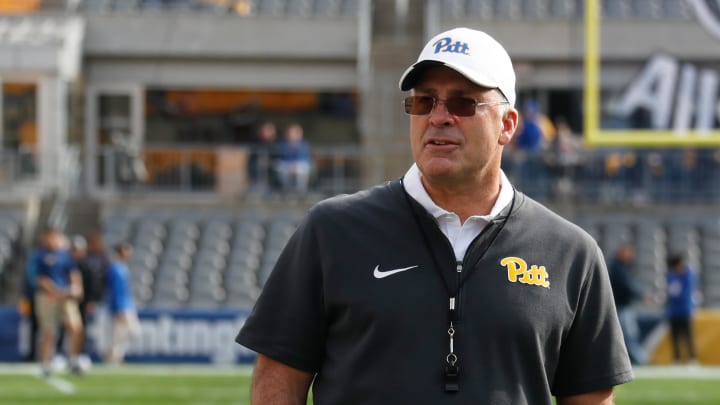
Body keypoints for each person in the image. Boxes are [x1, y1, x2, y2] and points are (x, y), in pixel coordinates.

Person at [236, 27, 632, 404]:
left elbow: (590, 397)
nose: (439, 116)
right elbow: (278, 377)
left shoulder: (570, 252)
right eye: (424, 101)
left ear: (507, 125)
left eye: (463, 102)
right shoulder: (331, 230)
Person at [34, 227, 84, 376]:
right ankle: (45, 363)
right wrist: (55, 291)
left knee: (76, 327)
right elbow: (40, 279)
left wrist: (76, 287)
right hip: (48, 296)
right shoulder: (40, 255)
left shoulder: (65, 255)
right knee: (49, 332)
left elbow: (73, 273)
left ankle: (73, 360)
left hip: (65, 296)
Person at [608, 243, 648, 365]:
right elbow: (627, 286)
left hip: (622, 305)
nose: (631, 255)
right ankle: (640, 359)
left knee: (627, 334)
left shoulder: (621, 267)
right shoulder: (618, 268)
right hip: (621, 306)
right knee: (629, 334)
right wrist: (642, 295)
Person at [105, 242, 140, 365]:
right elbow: (116, 290)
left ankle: (114, 355)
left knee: (128, 332)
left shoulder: (123, 268)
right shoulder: (115, 269)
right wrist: (119, 307)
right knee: (120, 333)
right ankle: (113, 357)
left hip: (127, 304)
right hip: (121, 306)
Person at [77, 232, 109, 358]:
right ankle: (80, 352)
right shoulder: (85, 259)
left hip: (97, 298)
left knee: (94, 329)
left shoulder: (103, 259)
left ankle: (88, 352)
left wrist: (95, 299)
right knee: (81, 327)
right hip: (84, 298)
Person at [665, 254, 698, 364]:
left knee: (687, 335)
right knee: (675, 336)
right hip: (673, 311)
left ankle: (692, 357)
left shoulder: (688, 275)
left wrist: (674, 296)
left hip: (684, 310)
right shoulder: (670, 276)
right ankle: (677, 358)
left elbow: (685, 293)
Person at [274, 122, 312, 193]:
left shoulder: (304, 144)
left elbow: (305, 158)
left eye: (294, 132)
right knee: (281, 168)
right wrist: (290, 165)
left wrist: (295, 165)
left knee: (301, 169)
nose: (291, 134)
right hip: (286, 164)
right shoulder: (282, 144)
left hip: (299, 164)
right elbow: (281, 157)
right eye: (290, 132)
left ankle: (301, 191)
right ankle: (286, 191)